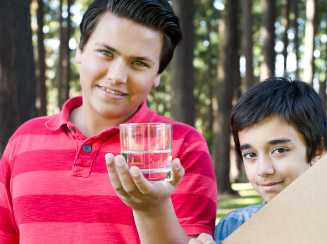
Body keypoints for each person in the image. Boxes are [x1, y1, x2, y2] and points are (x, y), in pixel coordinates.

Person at [0, 0, 217, 243]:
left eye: (139, 63)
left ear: (157, 74)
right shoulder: (24, 139)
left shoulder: (184, 147)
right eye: (106, 53)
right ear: (80, 50)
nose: (117, 77)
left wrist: (153, 209)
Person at [189, 77, 327, 244]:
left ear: (317, 150)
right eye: (251, 155)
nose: (263, 169)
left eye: (279, 150)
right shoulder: (232, 227)